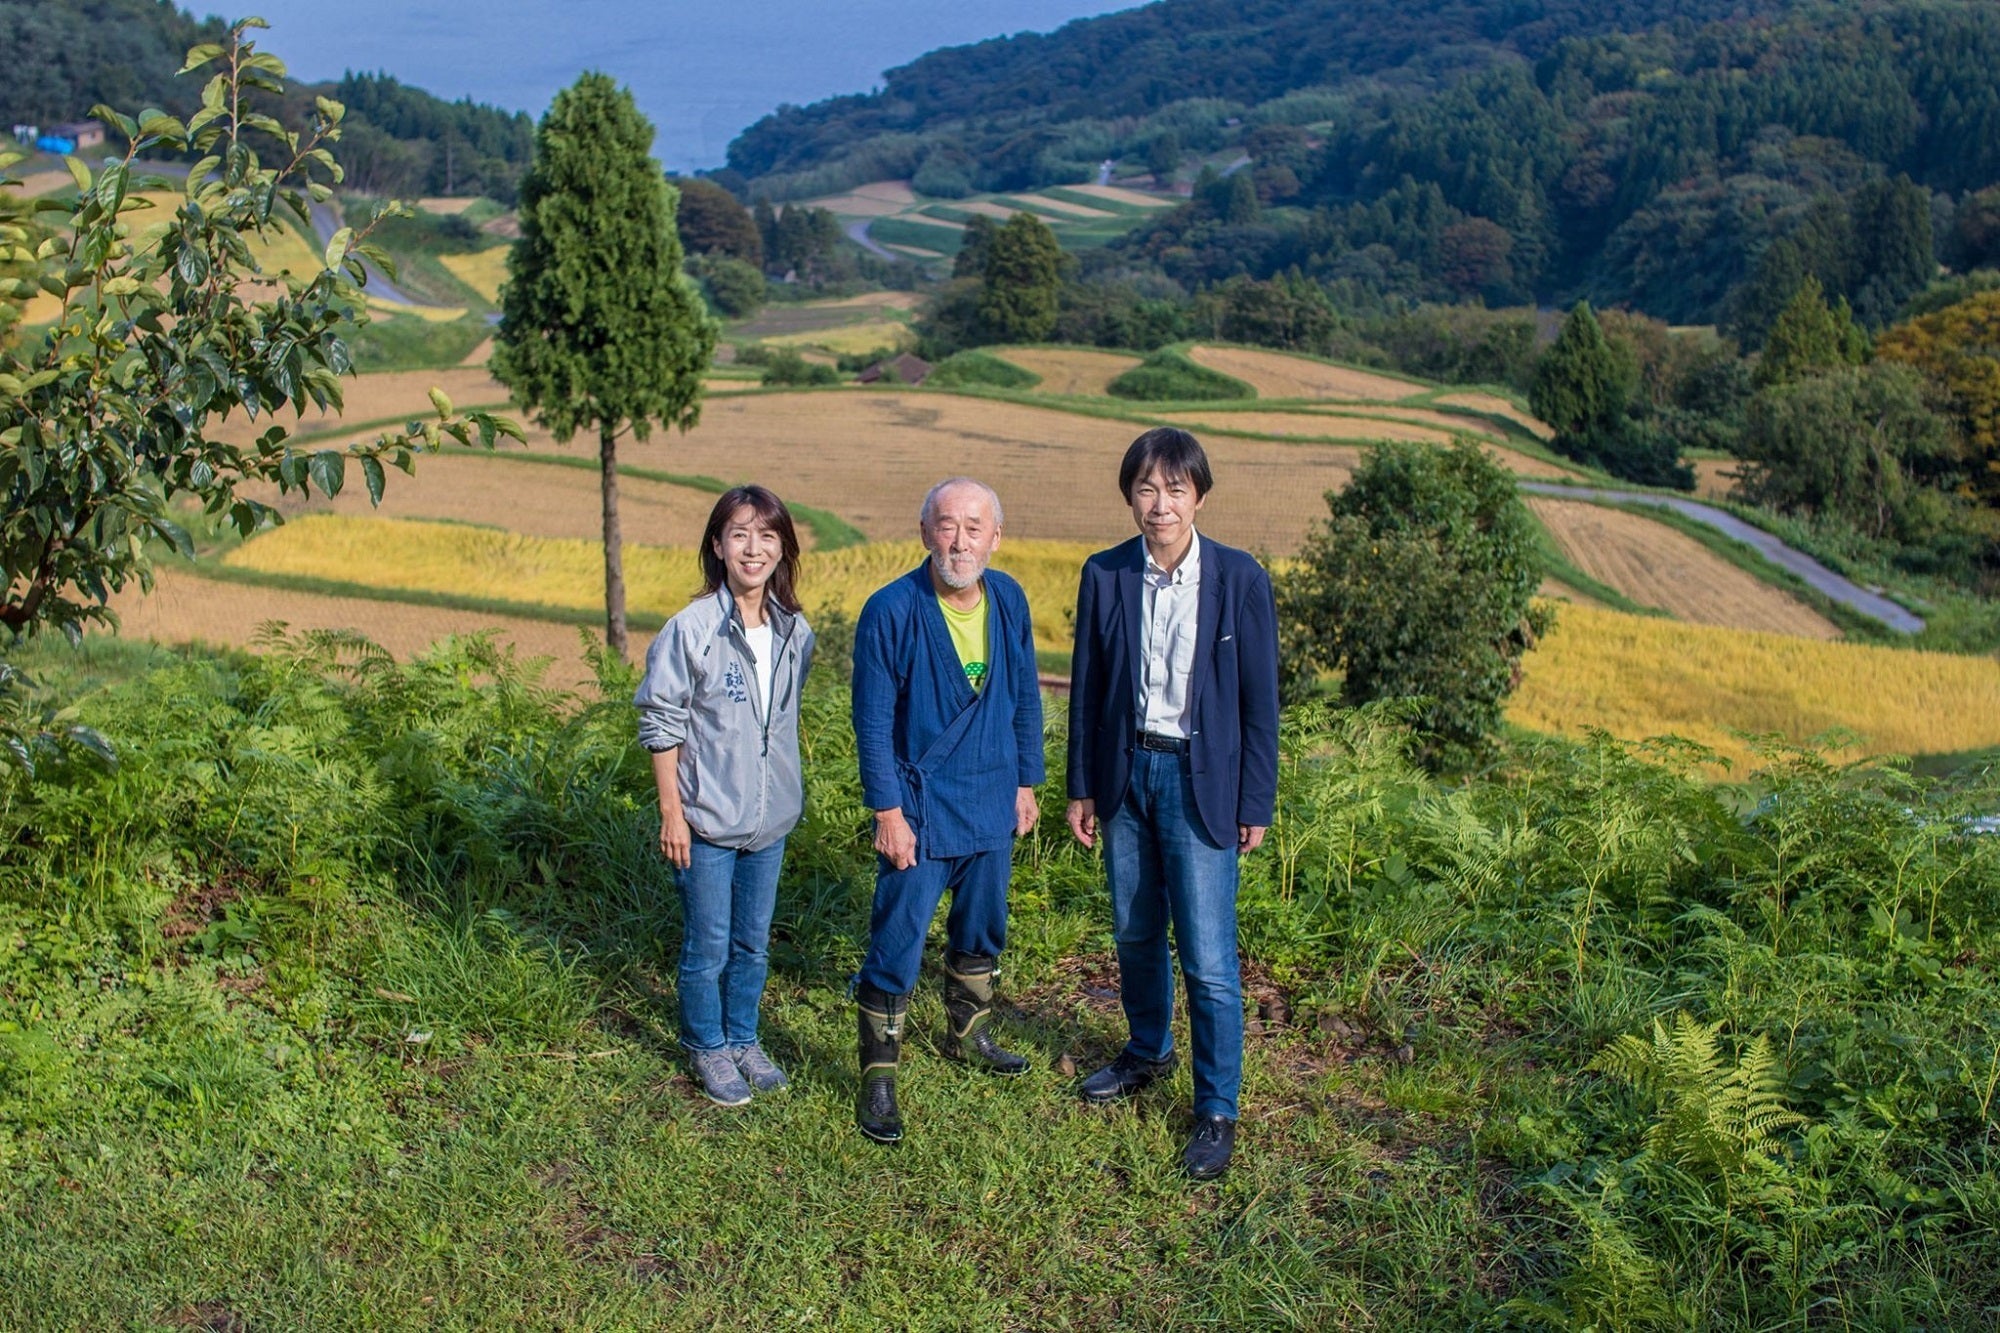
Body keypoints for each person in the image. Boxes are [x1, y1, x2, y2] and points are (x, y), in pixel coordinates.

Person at [1064, 428, 1280, 1180]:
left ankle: (1216, 1106)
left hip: (1201, 781)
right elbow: (1087, 688)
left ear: (1199, 497)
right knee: (1133, 931)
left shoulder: (1239, 578)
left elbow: (1260, 703)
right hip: (1127, 775)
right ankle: (1147, 1049)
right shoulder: (1106, 573)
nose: (1161, 504)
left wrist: (1256, 799)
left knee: (1209, 957)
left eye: (1175, 490)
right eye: (1147, 489)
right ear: (1130, 497)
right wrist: (1081, 785)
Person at [849, 477, 1045, 1143]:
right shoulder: (891, 610)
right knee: (898, 939)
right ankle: (879, 1078)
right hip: (920, 808)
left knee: (983, 926)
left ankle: (970, 1034)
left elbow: (1024, 696)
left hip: (992, 794)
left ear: (996, 537)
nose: (960, 541)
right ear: (925, 532)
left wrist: (1026, 780)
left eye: (973, 527)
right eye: (946, 525)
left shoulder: (1009, 599)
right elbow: (872, 723)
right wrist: (887, 811)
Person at [635, 486, 815, 1107]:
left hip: (770, 821)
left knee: (752, 944)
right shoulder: (691, 629)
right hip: (705, 821)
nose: (752, 548)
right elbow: (662, 723)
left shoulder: (796, 632)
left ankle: (743, 1038)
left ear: (783, 549)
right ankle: (706, 1045)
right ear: (717, 545)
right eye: (739, 534)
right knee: (708, 946)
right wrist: (672, 815)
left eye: (767, 536)